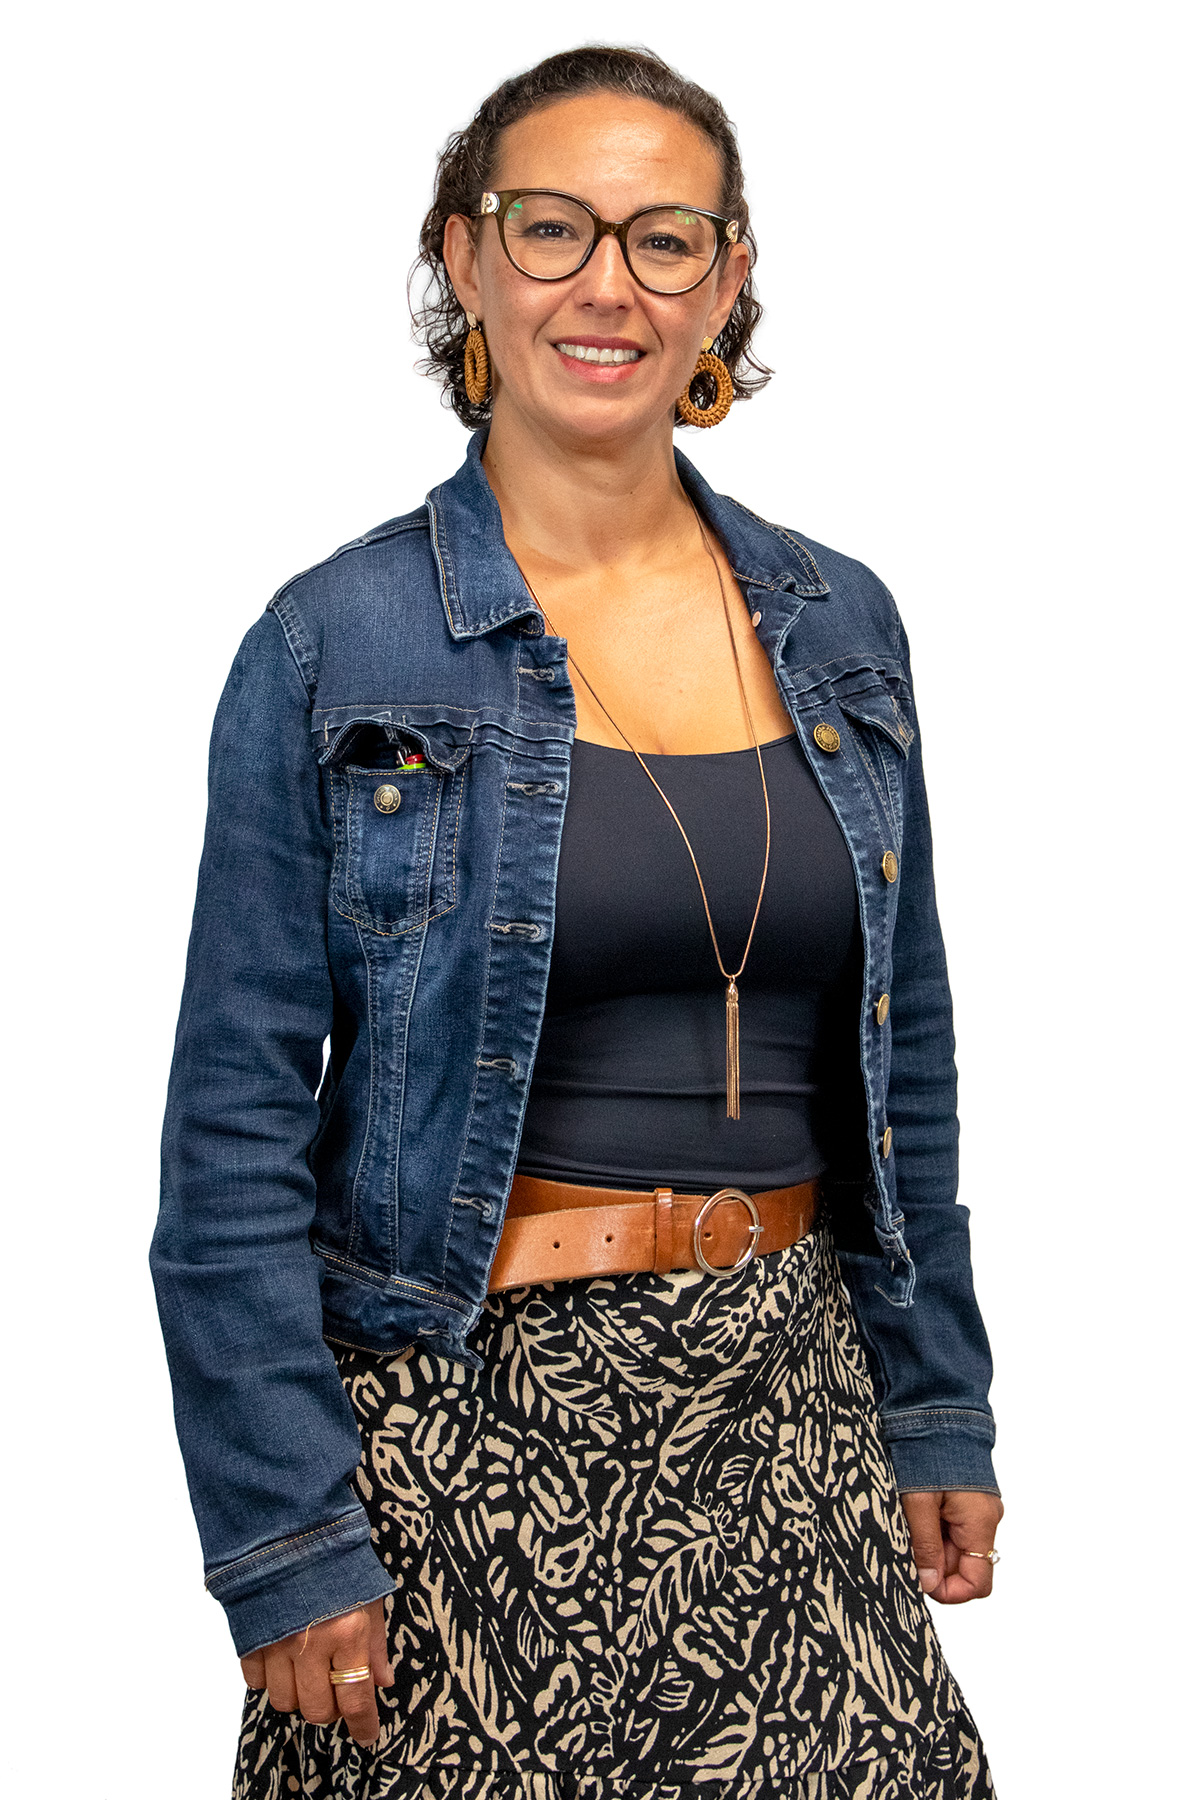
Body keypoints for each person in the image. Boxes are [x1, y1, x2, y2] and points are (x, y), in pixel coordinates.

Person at [151, 44, 1002, 1800]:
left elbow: (902, 1052)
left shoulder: (842, 623)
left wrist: (933, 1400)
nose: (608, 285)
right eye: (553, 229)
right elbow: (230, 1130)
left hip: (792, 1415)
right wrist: (284, 1532)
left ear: (728, 280)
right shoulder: (336, 645)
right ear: (465, 259)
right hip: (456, 1440)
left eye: (664, 238)